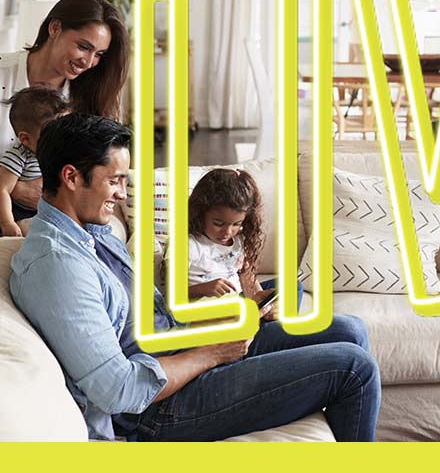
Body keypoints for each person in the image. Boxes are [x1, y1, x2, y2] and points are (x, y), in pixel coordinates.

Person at [10, 114, 380, 441]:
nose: (123, 194)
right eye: (115, 181)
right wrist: (209, 354)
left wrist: (217, 320)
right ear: (72, 177)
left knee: (350, 330)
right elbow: (117, 390)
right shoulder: (58, 266)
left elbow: (153, 316)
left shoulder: (94, 232)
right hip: (158, 408)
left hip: (179, 347)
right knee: (353, 368)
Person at [0, 0, 129, 213]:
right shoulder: (4, 73)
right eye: (84, 47)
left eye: (99, 54)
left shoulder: (90, 95)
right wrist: (16, 189)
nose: (89, 62)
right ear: (55, 28)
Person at [181, 167, 303, 315]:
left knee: (292, 286)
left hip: (242, 308)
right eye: (218, 224)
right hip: (217, 318)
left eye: (236, 224)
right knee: (339, 329)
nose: (227, 232)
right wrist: (203, 288)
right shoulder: (189, 245)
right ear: (200, 213)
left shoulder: (238, 240)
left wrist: (259, 299)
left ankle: (268, 323)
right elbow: (169, 297)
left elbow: (248, 281)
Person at [0, 87, 70, 236]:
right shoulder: (18, 156)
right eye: (52, 134)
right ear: (25, 139)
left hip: (48, 209)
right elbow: (2, 189)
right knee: (30, 228)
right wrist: (8, 223)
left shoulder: (61, 152)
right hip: (21, 213)